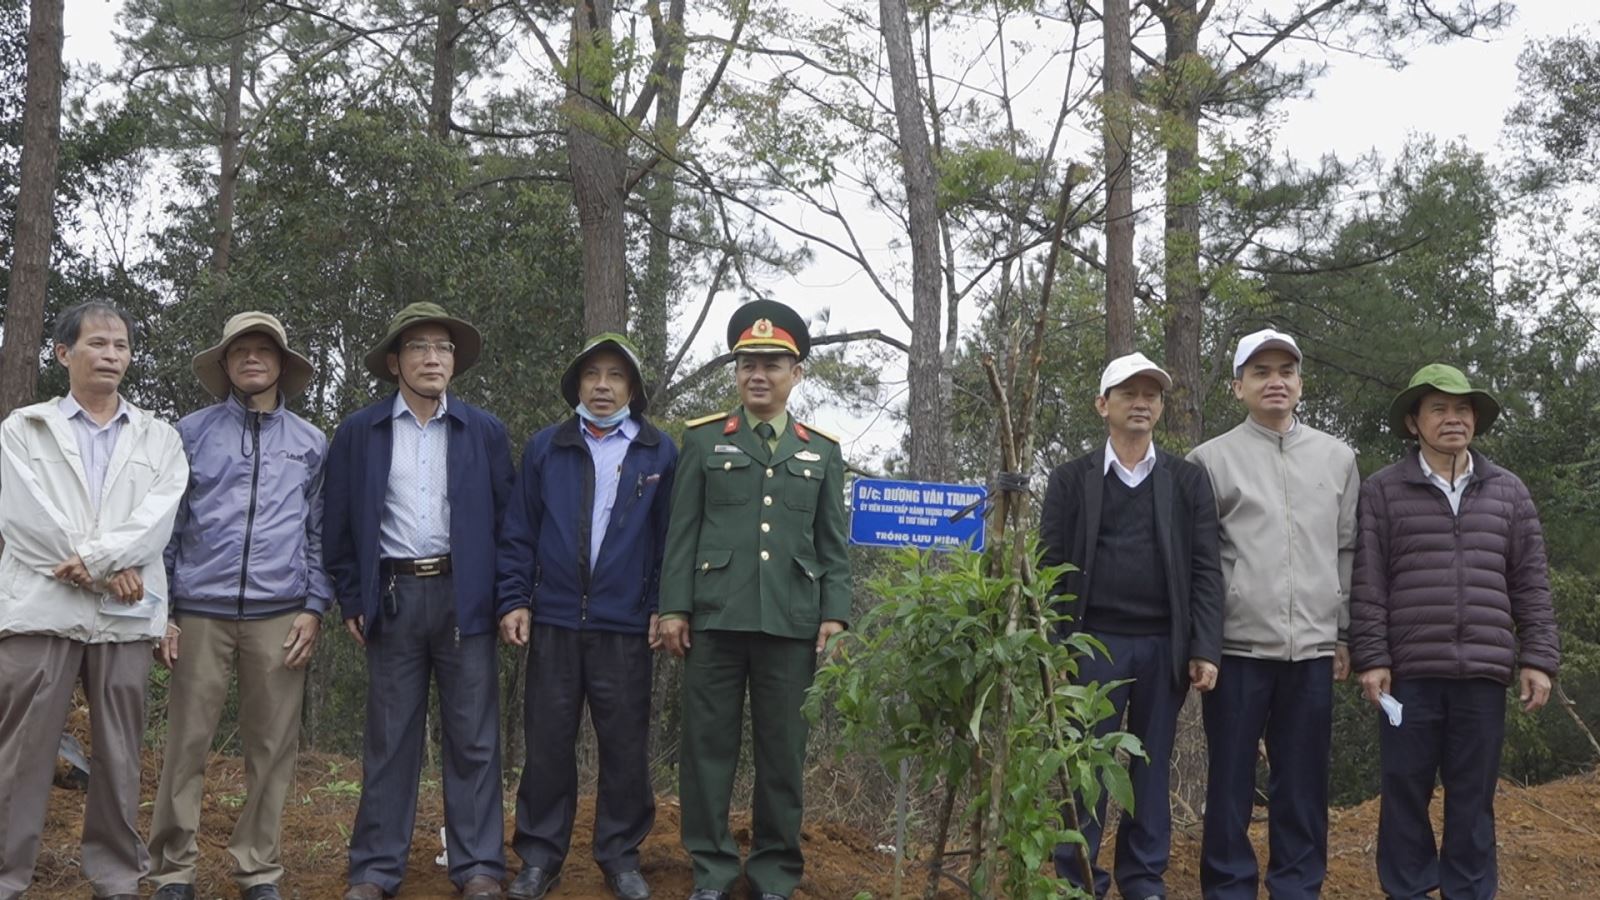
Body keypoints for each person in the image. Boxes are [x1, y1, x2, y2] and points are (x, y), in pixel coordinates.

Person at [657, 300, 852, 900]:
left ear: (797, 373)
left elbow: (831, 543)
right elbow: (681, 531)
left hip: (790, 623)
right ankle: (712, 872)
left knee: (782, 757)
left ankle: (773, 873)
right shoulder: (704, 439)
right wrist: (673, 608)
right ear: (736, 372)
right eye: (747, 364)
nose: (757, 374)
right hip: (714, 618)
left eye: (772, 363)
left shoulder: (820, 450)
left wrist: (835, 615)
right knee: (707, 752)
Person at [323, 302, 514, 900]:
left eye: (444, 348)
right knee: (389, 737)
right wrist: (352, 597)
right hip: (394, 597)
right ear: (394, 362)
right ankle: (375, 870)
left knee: (475, 739)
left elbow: (510, 526)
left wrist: (508, 598)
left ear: (455, 362)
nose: (433, 357)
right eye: (418, 347)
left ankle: (479, 866)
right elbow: (339, 525)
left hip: (468, 599)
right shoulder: (362, 431)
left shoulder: (483, 431)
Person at [0, 301, 188, 900]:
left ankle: (115, 879)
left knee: (119, 754)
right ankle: (6, 877)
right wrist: (107, 570)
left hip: (125, 618)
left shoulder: (159, 437)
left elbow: (157, 518)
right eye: (98, 344)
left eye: (121, 347)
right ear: (63, 353)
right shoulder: (24, 428)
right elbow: (25, 521)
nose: (111, 355)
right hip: (41, 608)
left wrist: (103, 567)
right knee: (22, 753)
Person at [1351, 363, 1559, 900]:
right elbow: (1368, 582)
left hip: (1484, 673)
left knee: (1473, 798)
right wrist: (1372, 657)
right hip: (1410, 674)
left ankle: (1469, 891)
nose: (1452, 419)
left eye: (1462, 409)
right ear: (1413, 422)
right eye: (1438, 409)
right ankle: (1409, 889)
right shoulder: (1382, 491)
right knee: (1404, 793)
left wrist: (1538, 657)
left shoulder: (1509, 492)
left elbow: (1531, 583)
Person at [146, 312, 331, 900]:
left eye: (264, 349)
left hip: (281, 612)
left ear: (281, 363)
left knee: (272, 749)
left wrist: (315, 606)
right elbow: (167, 526)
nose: (252, 358)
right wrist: (164, 608)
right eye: (240, 350)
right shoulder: (190, 433)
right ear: (225, 364)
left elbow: (320, 533)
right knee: (187, 743)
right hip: (199, 609)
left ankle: (259, 870)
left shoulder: (310, 442)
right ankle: (174, 870)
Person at [498, 333, 678, 900]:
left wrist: (659, 607)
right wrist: (514, 598)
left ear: (633, 388)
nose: (602, 386)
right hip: (552, 619)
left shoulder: (658, 452)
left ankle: (621, 856)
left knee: (624, 745)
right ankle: (540, 857)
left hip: (625, 625)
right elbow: (518, 533)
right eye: (592, 375)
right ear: (577, 384)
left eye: (615, 376)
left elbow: (670, 539)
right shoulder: (546, 448)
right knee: (548, 743)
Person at [1039, 351, 1224, 900]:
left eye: (1152, 395)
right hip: (1089, 646)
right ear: (1104, 405)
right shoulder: (1071, 479)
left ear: (1161, 408)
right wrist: (1053, 649)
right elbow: (1048, 566)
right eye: (1129, 393)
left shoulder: (1187, 482)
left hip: (1162, 648)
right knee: (1086, 768)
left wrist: (1204, 647)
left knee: (1150, 768)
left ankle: (1143, 879)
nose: (1141, 402)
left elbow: (1205, 570)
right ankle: (1077, 880)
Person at [1187, 328, 1360, 900]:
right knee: (1231, 784)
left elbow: (1346, 550)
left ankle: (1297, 885)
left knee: (1304, 786)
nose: (1275, 381)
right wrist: (1203, 644)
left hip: (1311, 651)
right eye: (1260, 372)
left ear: (1300, 384)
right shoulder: (1208, 461)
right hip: (1237, 651)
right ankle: (1230, 887)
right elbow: (1200, 564)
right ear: (1239, 387)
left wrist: (1342, 633)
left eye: (1286, 370)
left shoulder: (1338, 459)